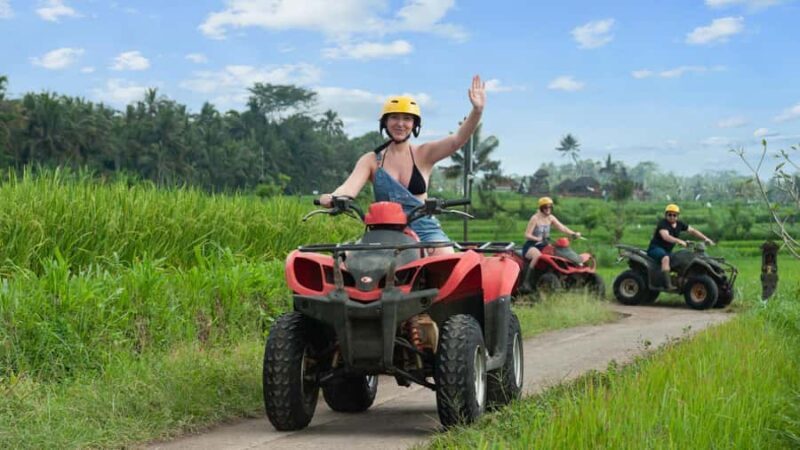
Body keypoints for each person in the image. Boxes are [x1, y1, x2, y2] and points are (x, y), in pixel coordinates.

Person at [319, 75, 486, 255]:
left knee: (445, 257)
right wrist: (332, 197)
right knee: (347, 259)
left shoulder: (424, 153)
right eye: (394, 118)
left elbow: (457, 140)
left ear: (414, 124)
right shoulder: (371, 160)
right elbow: (348, 188)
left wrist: (477, 110)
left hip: (424, 230)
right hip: (383, 231)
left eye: (407, 119)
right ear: (385, 122)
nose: (400, 124)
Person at [647, 203, 715, 289]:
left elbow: (693, 231)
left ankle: (681, 280)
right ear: (666, 215)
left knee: (684, 259)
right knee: (665, 258)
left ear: (677, 216)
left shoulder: (679, 224)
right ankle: (668, 285)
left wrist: (706, 239)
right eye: (670, 214)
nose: (672, 217)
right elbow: (666, 237)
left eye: (674, 215)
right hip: (656, 248)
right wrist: (679, 241)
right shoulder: (663, 224)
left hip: (668, 251)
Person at [522, 197, 581, 269]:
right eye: (546, 207)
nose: (548, 209)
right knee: (537, 256)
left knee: (557, 255)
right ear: (541, 208)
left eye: (550, 207)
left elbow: (562, 228)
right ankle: (528, 278)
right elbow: (527, 235)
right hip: (532, 245)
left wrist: (573, 234)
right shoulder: (535, 218)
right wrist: (537, 239)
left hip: (545, 245)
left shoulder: (551, 218)